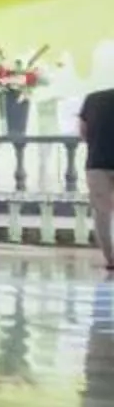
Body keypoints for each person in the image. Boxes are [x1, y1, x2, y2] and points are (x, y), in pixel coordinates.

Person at [83, 81, 114, 274]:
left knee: (102, 214)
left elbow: (83, 131)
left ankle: (111, 259)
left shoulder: (92, 99)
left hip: (97, 162)